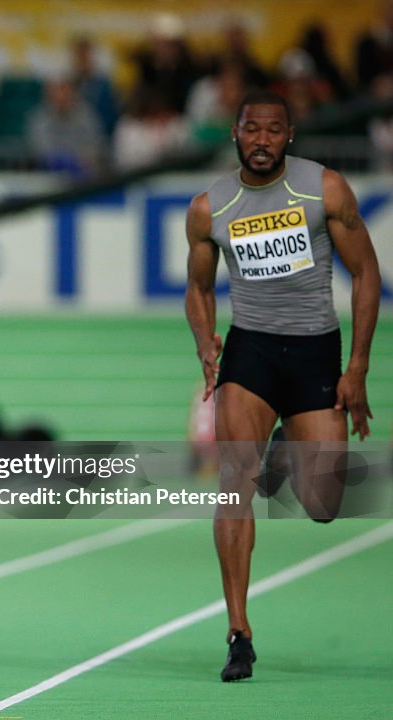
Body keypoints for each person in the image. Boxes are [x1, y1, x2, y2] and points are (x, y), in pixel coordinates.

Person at [185, 89, 380, 682]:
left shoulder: (324, 190)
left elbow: (367, 273)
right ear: (235, 134)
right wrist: (204, 339)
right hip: (252, 352)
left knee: (322, 505)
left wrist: (358, 369)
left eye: (273, 130)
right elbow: (199, 287)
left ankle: (286, 449)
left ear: (289, 135)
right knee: (233, 481)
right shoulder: (210, 206)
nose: (262, 139)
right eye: (252, 129)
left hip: (316, 351)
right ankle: (238, 632)